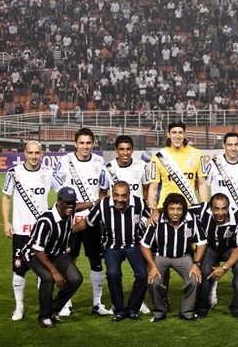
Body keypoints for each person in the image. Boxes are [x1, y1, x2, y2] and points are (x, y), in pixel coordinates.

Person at [1, 141, 63, 321]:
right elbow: (6, 197)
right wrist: (6, 222)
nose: (34, 156)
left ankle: (44, 308)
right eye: (30, 153)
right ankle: (19, 307)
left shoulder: (49, 173)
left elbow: (63, 193)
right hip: (21, 230)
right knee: (19, 269)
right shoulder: (14, 173)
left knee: (44, 272)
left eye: (37, 153)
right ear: (25, 153)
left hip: (42, 233)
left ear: (42, 153)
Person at [76, 181, 151, 321]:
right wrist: (68, 232)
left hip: (134, 245)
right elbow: (87, 222)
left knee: (142, 274)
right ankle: (119, 309)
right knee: (113, 274)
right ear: (112, 193)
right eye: (116, 195)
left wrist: (155, 214)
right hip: (112, 246)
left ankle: (133, 309)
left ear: (129, 195)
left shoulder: (139, 203)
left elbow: (153, 214)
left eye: (123, 196)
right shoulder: (103, 205)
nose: (119, 199)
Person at [55, 128, 109, 316]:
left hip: (92, 221)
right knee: (69, 260)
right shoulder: (65, 161)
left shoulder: (99, 161)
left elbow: (103, 188)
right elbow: (57, 187)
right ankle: (66, 303)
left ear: (93, 143)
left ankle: (97, 303)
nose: (85, 146)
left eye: (88, 143)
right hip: (71, 221)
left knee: (95, 260)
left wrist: (98, 205)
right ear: (75, 143)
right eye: (82, 143)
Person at [205, 131, 238, 309]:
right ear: (224, 146)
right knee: (214, 258)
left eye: (236, 144)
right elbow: (203, 184)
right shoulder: (213, 164)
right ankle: (212, 293)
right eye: (229, 145)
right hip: (217, 219)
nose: (233, 148)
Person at [20, 187, 84, 328]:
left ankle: (54, 309)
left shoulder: (69, 212)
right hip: (34, 254)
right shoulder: (46, 221)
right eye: (67, 202)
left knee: (76, 279)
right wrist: (55, 272)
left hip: (57, 252)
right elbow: (37, 250)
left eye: (72, 202)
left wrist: (95, 203)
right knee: (48, 278)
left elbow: (79, 207)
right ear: (59, 201)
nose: (70, 206)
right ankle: (44, 316)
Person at [140, 193, 206, 322]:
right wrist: (152, 266)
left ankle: (186, 311)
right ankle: (159, 311)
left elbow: (202, 242)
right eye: (171, 209)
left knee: (194, 279)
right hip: (161, 256)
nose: (175, 213)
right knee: (153, 281)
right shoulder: (157, 220)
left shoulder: (191, 219)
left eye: (179, 209)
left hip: (183, 256)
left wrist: (196, 264)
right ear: (166, 209)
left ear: (184, 210)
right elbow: (144, 245)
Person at [190, 194, 238, 319]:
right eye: (216, 209)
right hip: (210, 247)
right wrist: (156, 212)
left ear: (228, 208)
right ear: (210, 208)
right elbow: (179, 208)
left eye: (224, 208)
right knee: (204, 269)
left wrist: (224, 267)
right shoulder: (202, 211)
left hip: (232, 249)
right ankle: (202, 306)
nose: (220, 213)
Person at [148, 121, 208, 216]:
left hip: (189, 207)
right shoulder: (158, 157)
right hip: (166, 208)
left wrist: (204, 208)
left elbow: (201, 183)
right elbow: (153, 188)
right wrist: (153, 210)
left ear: (185, 134)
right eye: (174, 132)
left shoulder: (197, 154)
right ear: (168, 135)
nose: (177, 136)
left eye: (180, 133)